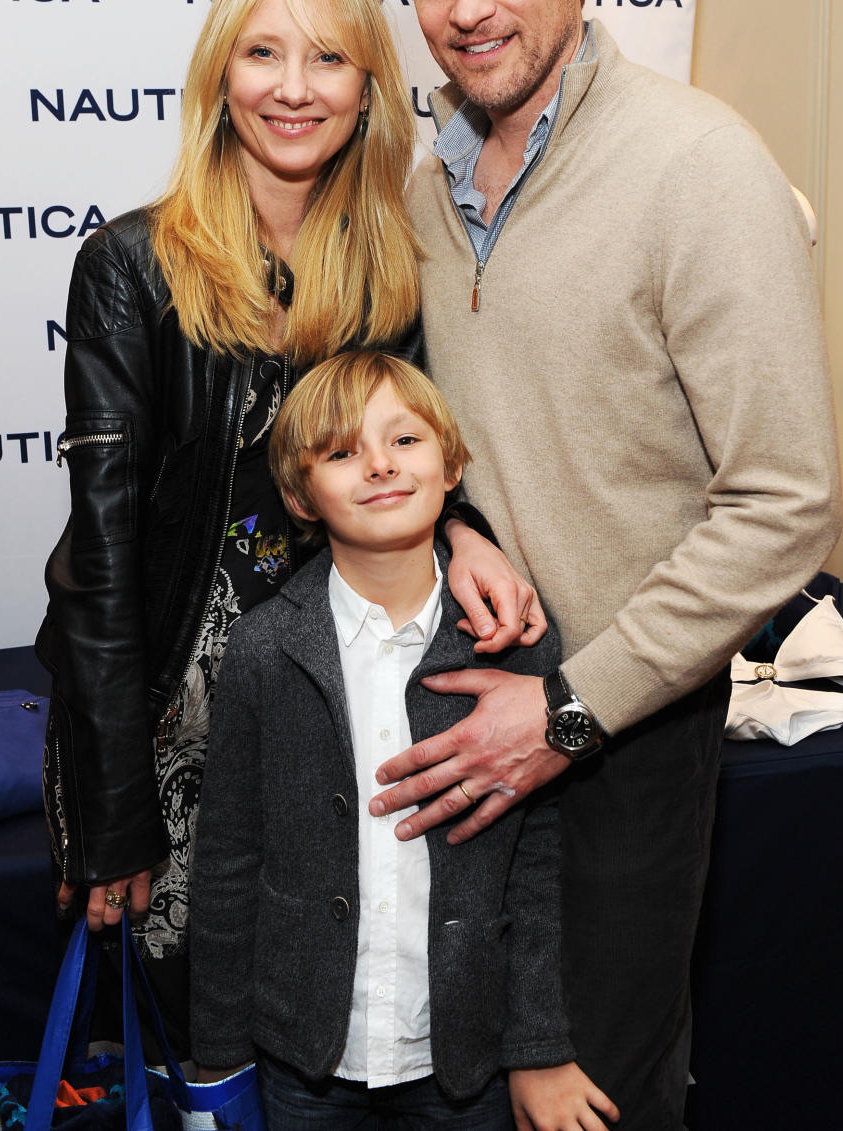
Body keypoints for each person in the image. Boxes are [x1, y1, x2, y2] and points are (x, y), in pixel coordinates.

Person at [362, 0, 843, 1128]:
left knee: (597, 1096)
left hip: (622, 738)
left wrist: (569, 710)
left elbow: (785, 503)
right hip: (460, 723)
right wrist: (454, 517)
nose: (467, 7)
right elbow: (443, 415)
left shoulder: (699, 167)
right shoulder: (423, 178)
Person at [35, 0, 543, 1056]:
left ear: (369, 87)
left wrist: (465, 533)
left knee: (332, 1018)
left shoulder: (388, 264)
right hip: (168, 720)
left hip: (332, 700)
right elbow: (104, 557)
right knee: (195, 1046)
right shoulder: (134, 265)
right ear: (223, 74)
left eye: (328, 58)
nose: (294, 88)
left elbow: (407, 454)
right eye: (264, 53)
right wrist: (114, 809)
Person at [190, 349, 619, 1131]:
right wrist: (218, 1054)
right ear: (300, 495)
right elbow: (225, 861)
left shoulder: (516, 642)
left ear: (452, 464)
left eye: (406, 441)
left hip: (467, 1059)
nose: (380, 465)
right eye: (343, 451)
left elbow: (537, 866)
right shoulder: (261, 650)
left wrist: (537, 1044)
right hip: (303, 1061)